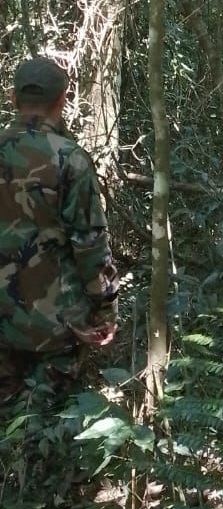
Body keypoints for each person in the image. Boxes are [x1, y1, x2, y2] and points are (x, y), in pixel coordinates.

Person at [0, 56, 119, 406]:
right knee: (44, 422)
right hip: (56, 323)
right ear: (62, 100)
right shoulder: (70, 158)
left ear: (13, 98)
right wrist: (104, 309)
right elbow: (90, 243)